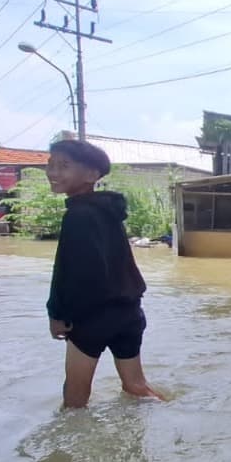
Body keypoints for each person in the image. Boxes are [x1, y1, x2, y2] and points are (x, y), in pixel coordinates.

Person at [45, 138, 164, 408]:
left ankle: (68, 449)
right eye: (50, 164)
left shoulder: (78, 214)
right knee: (136, 386)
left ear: (91, 175)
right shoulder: (108, 210)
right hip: (129, 312)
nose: (53, 172)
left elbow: (72, 272)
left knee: (75, 399)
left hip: (93, 318)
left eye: (64, 166)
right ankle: (173, 411)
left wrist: (57, 314)